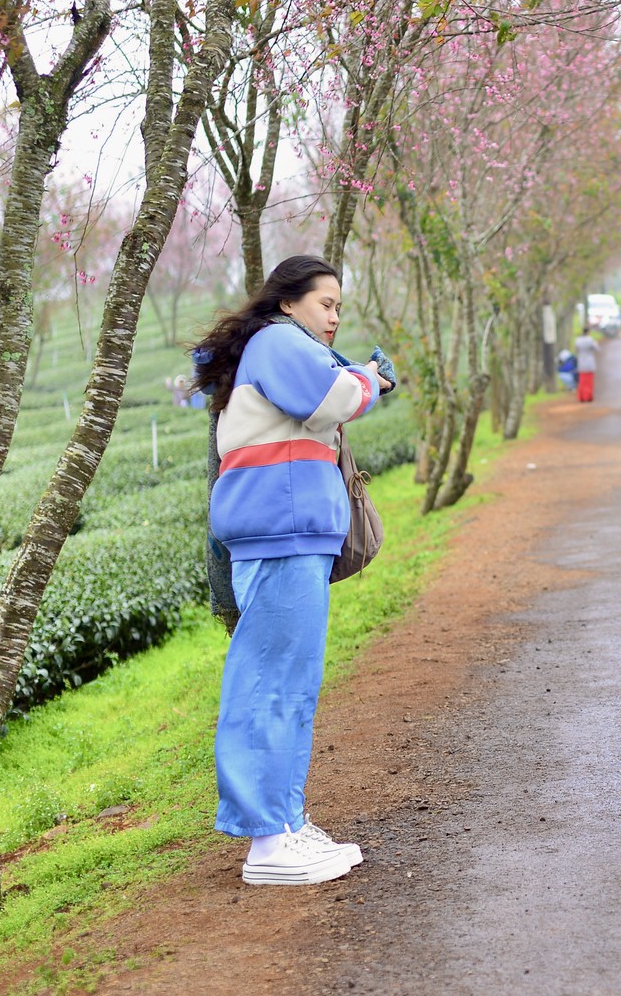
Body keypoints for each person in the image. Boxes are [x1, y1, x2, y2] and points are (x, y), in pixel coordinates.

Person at [192, 255, 394, 886]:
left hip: (287, 531)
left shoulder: (275, 344)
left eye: (339, 306)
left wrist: (357, 377)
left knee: (287, 682)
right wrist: (369, 379)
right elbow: (334, 397)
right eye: (324, 304)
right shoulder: (279, 341)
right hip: (280, 530)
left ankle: (284, 822)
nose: (333, 317)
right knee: (274, 684)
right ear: (288, 303)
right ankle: (269, 844)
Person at [572, 329, 600, 402]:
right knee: (589, 382)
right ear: (588, 332)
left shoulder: (577, 340)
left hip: (581, 362)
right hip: (589, 363)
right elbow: (597, 348)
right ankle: (588, 397)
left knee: (582, 382)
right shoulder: (590, 340)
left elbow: (576, 349)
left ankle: (581, 397)